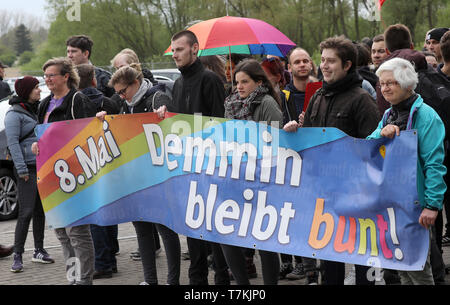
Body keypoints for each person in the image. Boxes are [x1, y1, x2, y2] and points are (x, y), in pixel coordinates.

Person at [285, 36, 380, 285]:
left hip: (357, 197)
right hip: (324, 195)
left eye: (331, 61)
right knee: (330, 262)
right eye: (323, 60)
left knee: (363, 264)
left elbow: (376, 151)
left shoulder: (362, 100)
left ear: (347, 65)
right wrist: (295, 133)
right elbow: (311, 145)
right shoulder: (318, 97)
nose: (324, 66)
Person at [155, 30, 229, 285]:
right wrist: (167, 114)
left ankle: (222, 278)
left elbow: (221, 124)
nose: (175, 54)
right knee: (193, 229)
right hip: (187, 169)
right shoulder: (178, 83)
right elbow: (180, 123)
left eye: (179, 49)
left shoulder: (210, 80)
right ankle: (197, 281)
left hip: (211, 168)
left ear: (194, 49)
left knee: (216, 231)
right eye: (173, 50)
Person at [367, 57, 447, 285]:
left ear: (408, 85)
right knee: (401, 266)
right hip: (393, 205)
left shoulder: (427, 116)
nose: (385, 88)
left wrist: (432, 205)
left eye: (391, 83)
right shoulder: (388, 115)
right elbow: (368, 146)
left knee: (420, 269)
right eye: (382, 84)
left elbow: (434, 164)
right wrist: (381, 134)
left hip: (416, 206)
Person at [105, 65, 180, 285]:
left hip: (159, 178)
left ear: (135, 83)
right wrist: (103, 118)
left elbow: (174, 127)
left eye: (122, 91)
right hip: (135, 179)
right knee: (143, 231)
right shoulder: (123, 105)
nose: (120, 96)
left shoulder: (157, 97)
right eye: (118, 93)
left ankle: (172, 280)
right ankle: (150, 280)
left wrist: (164, 116)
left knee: (165, 229)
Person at [31, 57, 94, 285]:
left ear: (66, 76)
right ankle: (73, 279)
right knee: (61, 233)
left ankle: (84, 281)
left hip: (74, 176)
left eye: (52, 75)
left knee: (77, 234)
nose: (47, 80)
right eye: (45, 76)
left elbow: (88, 135)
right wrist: (37, 145)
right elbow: (41, 135)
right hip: (51, 177)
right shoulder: (44, 104)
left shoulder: (77, 100)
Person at [222, 58, 281, 285]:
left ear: (258, 82)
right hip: (236, 179)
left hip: (262, 181)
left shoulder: (266, 103)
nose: (239, 87)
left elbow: (275, 143)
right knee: (226, 236)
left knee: (264, 242)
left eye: (245, 82)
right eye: (237, 82)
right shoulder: (231, 104)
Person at [5, 76, 55, 273]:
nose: (39, 91)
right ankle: (18, 255)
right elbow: (13, 143)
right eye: (35, 88)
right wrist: (21, 169)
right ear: (26, 91)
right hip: (27, 169)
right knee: (25, 213)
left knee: (40, 211)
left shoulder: (33, 109)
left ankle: (39, 250)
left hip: (41, 166)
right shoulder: (13, 114)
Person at [75, 64, 119, 279]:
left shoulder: (75, 102)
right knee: (109, 210)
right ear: (93, 79)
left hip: (87, 162)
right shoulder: (108, 102)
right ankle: (111, 256)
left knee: (95, 215)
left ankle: (102, 263)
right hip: (110, 160)